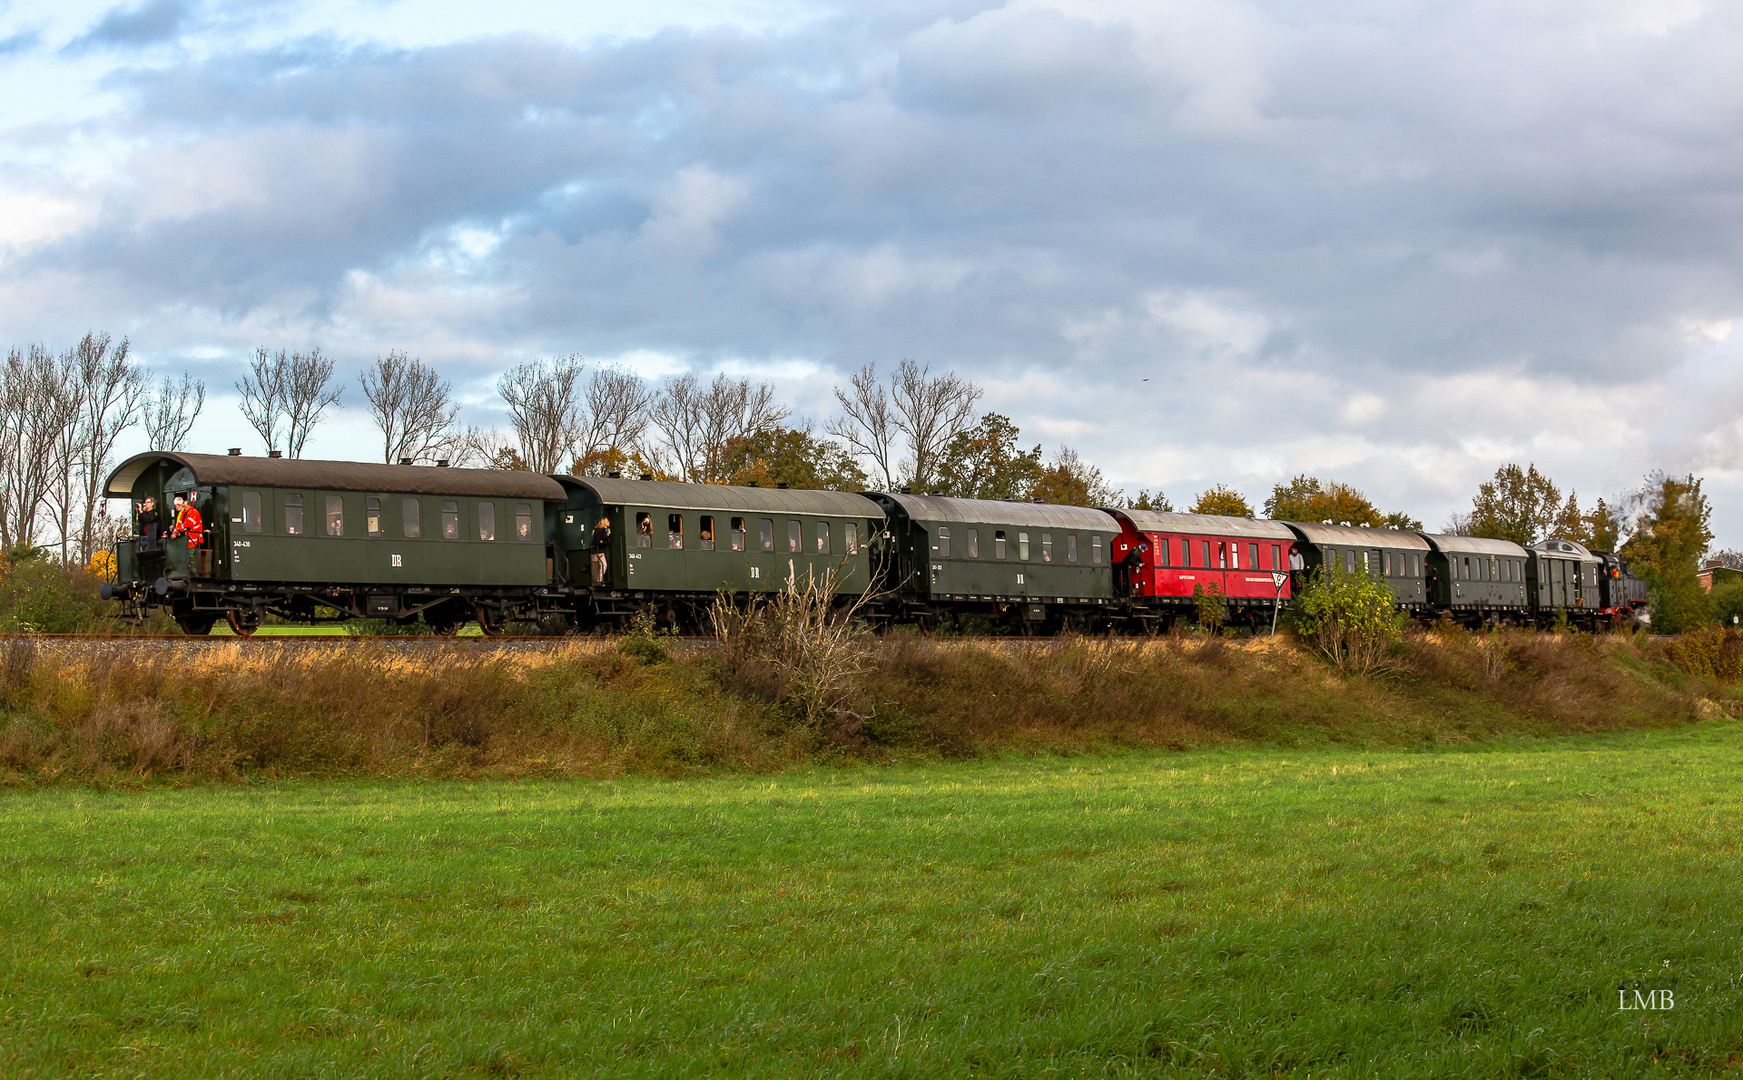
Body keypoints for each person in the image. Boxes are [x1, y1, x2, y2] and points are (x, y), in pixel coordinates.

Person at [591, 517, 611, 585]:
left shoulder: (605, 530)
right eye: (608, 521)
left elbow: (606, 540)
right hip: (595, 550)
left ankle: (599, 580)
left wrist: (603, 542)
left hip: (600, 550)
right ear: (604, 521)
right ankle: (595, 581)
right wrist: (603, 542)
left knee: (603, 565)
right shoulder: (598, 530)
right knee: (595, 566)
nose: (609, 522)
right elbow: (597, 541)